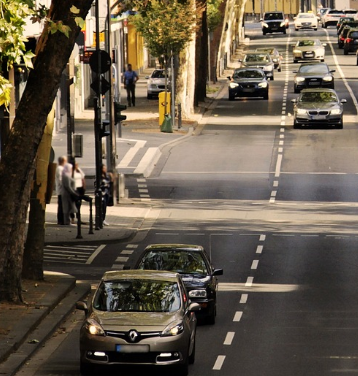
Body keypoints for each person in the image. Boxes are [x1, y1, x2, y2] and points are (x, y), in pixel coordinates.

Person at [55, 155, 67, 225]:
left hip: (62, 190)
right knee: (61, 206)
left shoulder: (62, 168)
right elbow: (61, 179)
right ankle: (61, 220)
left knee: (63, 205)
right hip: (62, 191)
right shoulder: (60, 169)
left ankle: (63, 220)